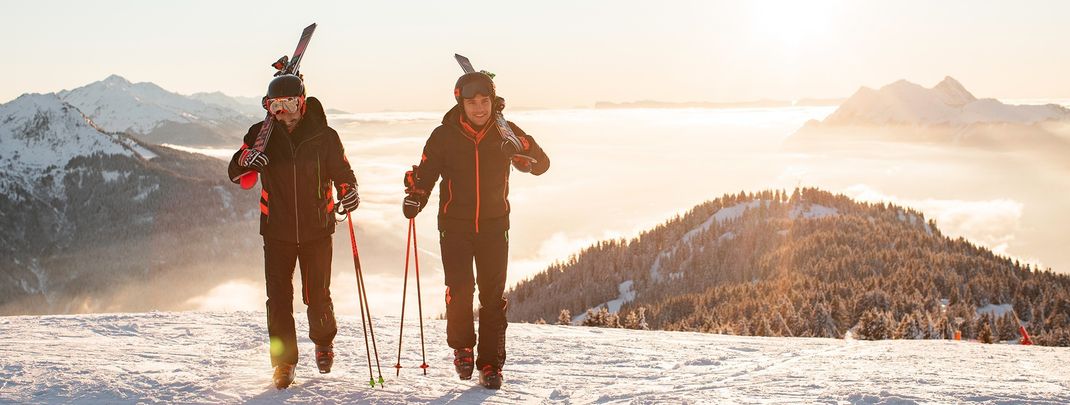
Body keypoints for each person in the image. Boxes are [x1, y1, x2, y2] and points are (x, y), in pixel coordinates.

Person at [402, 70, 550, 389]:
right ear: (461, 104)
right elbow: (426, 174)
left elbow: (542, 164)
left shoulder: (505, 132)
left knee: (492, 296)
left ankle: (491, 364)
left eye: (485, 102)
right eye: (472, 103)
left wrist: (519, 147)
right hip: (454, 225)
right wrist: (416, 196)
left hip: (496, 225)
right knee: (460, 289)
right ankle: (463, 348)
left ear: (493, 102)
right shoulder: (443, 135)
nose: (479, 108)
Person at [227, 74, 360, 389]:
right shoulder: (261, 135)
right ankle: (284, 363)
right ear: (268, 106)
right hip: (276, 232)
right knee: (279, 299)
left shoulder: (324, 136)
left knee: (317, 295)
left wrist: (348, 189)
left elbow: (343, 171)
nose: (282, 110)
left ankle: (324, 340)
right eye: (275, 104)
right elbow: (235, 171)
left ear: (302, 103)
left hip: (317, 230)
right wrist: (245, 159)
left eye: (288, 103)